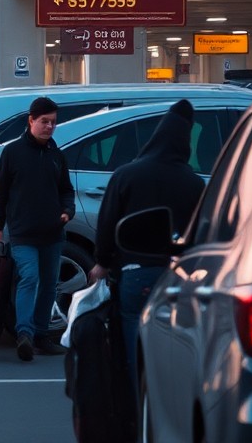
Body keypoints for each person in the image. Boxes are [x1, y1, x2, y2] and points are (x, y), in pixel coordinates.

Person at [89, 98, 204, 394]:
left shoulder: (126, 175)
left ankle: (136, 408)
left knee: (133, 350)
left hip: (134, 271)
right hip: (178, 277)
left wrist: (102, 261)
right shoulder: (192, 182)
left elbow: (107, 224)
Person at [0, 95, 75, 362]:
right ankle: (24, 334)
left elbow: (66, 191)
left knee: (50, 285)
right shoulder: (12, 152)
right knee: (29, 278)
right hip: (23, 233)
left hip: (52, 233)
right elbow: (1, 193)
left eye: (53, 123)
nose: (49, 127)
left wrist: (67, 210)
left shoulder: (56, 155)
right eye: (44, 122)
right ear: (31, 121)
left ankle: (41, 336)